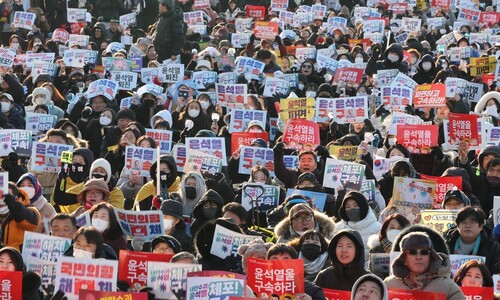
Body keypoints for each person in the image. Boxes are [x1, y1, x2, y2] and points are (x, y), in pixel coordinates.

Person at [385, 232, 464, 299]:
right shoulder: (388, 284)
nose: (419, 257)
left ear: (431, 257)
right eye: (412, 252)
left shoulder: (448, 287)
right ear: (403, 258)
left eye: (424, 252)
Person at [444, 206, 500, 275]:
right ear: (458, 226)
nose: (467, 225)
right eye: (464, 222)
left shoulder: (492, 245)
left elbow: (497, 272)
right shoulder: (446, 243)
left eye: (472, 222)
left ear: (481, 226)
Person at [335, 191, 382, 261]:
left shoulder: (378, 228)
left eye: (355, 206)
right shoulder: (337, 228)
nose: (352, 209)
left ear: (363, 207)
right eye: (348, 207)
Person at [0, 182, 41, 251]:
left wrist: (14, 206)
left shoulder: (30, 210)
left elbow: (31, 222)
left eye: (7, 196)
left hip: (18, 257)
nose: (3, 199)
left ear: (16, 198)